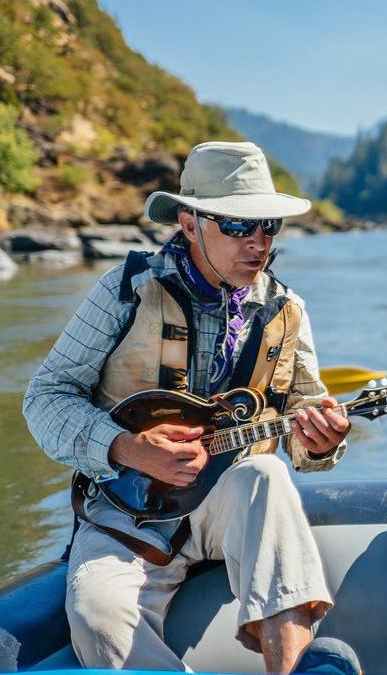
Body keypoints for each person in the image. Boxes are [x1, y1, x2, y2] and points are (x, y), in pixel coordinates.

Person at [23, 141, 357, 674]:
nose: (258, 244)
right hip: (126, 510)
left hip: (233, 503)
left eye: (268, 227)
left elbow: (304, 422)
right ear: (189, 222)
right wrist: (125, 447)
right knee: (96, 615)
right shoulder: (124, 290)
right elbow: (45, 399)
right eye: (238, 226)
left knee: (267, 472)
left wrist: (324, 441)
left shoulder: (286, 310)